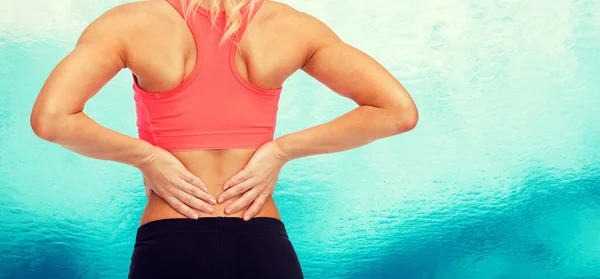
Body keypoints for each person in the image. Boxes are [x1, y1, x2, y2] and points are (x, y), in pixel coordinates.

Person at [30, 0, 418, 277]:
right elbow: (397, 111)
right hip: (260, 235)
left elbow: (51, 120)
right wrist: (280, 151)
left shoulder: (131, 22)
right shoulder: (292, 25)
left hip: (170, 237)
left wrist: (148, 158)